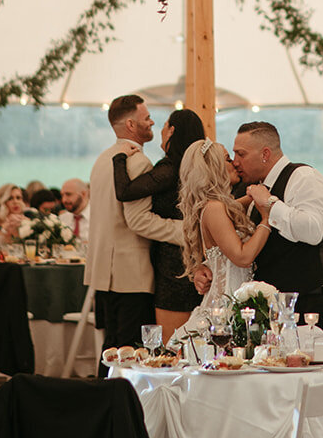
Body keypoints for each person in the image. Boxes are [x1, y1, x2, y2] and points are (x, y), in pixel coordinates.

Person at [86, 94, 184, 368]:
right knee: (130, 354)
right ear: (130, 125)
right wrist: (186, 231)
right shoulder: (138, 162)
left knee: (111, 350)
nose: (152, 121)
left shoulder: (103, 159)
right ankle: (121, 407)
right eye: (146, 118)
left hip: (105, 272)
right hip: (131, 272)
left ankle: (104, 405)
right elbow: (139, 221)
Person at [226, 120, 323, 335]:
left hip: (310, 301)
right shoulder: (252, 189)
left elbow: (313, 232)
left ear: (265, 154)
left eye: (241, 154)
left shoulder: (304, 177)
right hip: (273, 305)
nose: (235, 161)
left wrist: (270, 204)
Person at [112, 107, 206, 341]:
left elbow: (125, 192)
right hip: (196, 259)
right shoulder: (197, 167)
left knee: (173, 342)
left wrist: (119, 157)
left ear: (171, 131)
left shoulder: (170, 168)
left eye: (164, 125)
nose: (160, 129)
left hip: (173, 265)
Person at [180, 139, 274, 329]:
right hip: (223, 310)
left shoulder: (217, 206)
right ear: (214, 167)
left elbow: (232, 210)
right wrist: (266, 220)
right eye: (227, 159)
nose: (234, 163)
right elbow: (242, 256)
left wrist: (251, 197)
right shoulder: (214, 208)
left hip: (232, 307)